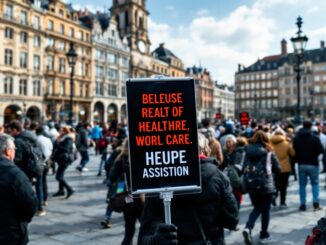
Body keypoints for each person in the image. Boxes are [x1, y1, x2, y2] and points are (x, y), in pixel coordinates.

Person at [138, 132, 239, 245]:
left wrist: (156, 239)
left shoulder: (159, 180)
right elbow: (232, 220)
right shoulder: (219, 177)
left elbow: (143, 237)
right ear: (206, 150)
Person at [242, 131, 280, 244]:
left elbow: (244, 167)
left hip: (251, 183)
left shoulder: (247, 151)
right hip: (266, 184)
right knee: (266, 210)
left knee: (257, 208)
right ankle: (264, 234)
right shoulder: (269, 151)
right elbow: (277, 168)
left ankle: (248, 227)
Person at [0, 133, 38, 244]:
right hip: (10, 232)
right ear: (8, 151)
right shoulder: (15, 174)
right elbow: (30, 205)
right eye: (14, 149)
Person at [109, 138, 144, 245]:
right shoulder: (142, 157)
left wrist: (122, 181)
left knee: (129, 231)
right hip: (141, 197)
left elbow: (112, 177)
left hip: (127, 199)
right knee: (146, 228)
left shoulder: (121, 159)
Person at [293, 120, 324, 211]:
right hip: (313, 163)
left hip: (301, 164)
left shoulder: (297, 138)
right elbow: (321, 150)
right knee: (315, 184)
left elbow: (294, 150)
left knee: (302, 184)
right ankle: (315, 203)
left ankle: (303, 204)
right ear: (311, 126)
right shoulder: (315, 138)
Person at [270, 128, 295, 208]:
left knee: (275, 184)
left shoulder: (271, 143)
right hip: (285, 168)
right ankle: (282, 202)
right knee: (283, 186)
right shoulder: (286, 143)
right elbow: (293, 153)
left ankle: (274, 196)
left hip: (274, 168)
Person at [51, 126, 75, 199]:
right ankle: (61, 190)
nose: (60, 132)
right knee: (60, 175)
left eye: (61, 130)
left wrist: (58, 143)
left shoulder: (68, 139)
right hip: (61, 159)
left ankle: (69, 189)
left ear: (65, 131)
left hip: (65, 159)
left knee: (59, 177)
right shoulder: (63, 138)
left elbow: (66, 149)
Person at [35, 125, 54, 214]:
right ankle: (45, 199)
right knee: (44, 181)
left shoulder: (36, 139)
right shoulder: (48, 139)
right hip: (47, 162)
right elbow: (51, 149)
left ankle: (40, 203)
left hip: (39, 163)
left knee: (39, 183)